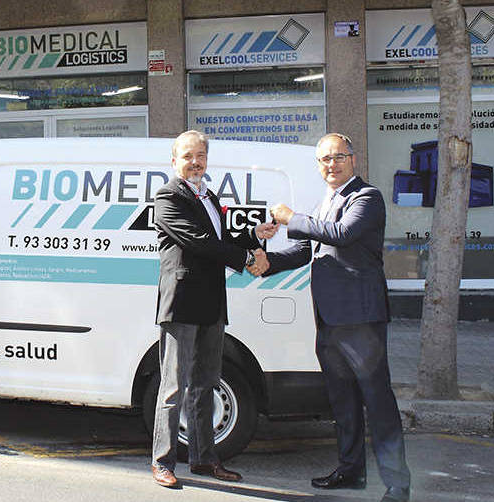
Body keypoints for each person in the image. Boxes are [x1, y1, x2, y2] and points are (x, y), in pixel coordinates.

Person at [261, 133, 411, 502]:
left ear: (353, 159)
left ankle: (397, 483)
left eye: (338, 157)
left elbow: (341, 235)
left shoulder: (367, 197)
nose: (331, 164)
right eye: (324, 160)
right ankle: (350, 471)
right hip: (329, 320)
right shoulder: (327, 200)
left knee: (377, 401)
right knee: (342, 400)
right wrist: (265, 262)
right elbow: (304, 250)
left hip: (360, 320)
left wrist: (291, 217)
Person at [151, 130, 276, 489]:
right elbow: (197, 241)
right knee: (173, 388)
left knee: (205, 385)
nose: (195, 162)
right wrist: (246, 257)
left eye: (201, 156)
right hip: (182, 304)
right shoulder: (167, 196)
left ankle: (204, 459)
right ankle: (162, 462)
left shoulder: (210, 195)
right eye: (188, 156)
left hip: (211, 304)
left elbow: (218, 239)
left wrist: (254, 235)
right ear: (174, 161)